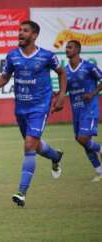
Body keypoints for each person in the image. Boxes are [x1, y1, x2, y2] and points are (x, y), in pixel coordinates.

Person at [0, 20, 67, 207]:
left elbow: (62, 73)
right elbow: (5, 77)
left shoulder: (47, 56)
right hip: (21, 108)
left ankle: (21, 193)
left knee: (29, 145)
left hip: (40, 107)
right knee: (33, 145)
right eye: (19, 30)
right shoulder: (13, 56)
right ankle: (55, 156)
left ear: (34, 35)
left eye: (25, 31)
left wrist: (61, 96)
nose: (20, 33)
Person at [65, 40, 102, 182]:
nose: (67, 49)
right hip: (76, 110)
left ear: (77, 50)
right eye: (66, 47)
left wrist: (92, 94)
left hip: (89, 108)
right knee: (82, 141)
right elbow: (65, 88)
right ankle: (99, 172)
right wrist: (59, 95)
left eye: (70, 47)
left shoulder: (88, 67)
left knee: (83, 138)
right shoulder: (66, 71)